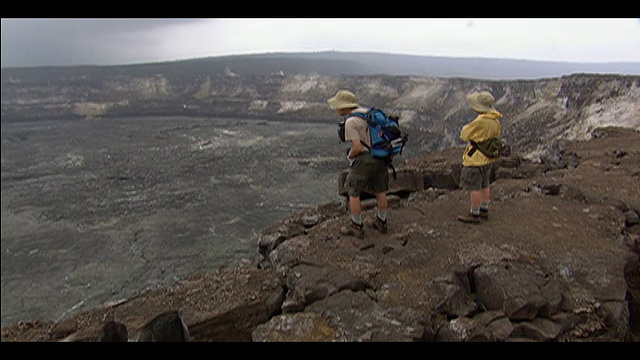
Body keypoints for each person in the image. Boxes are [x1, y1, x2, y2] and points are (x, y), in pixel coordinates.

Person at [327, 89, 389, 239]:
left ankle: (356, 227)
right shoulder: (368, 113)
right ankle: (382, 222)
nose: (336, 109)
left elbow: (358, 147)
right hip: (382, 156)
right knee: (380, 191)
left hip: (366, 159)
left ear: (343, 106)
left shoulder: (351, 121)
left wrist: (350, 155)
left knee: (353, 192)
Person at [458, 91, 503, 224]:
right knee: (485, 184)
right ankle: (484, 209)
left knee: (474, 187)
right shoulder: (495, 120)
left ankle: (474, 213)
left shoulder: (481, 121)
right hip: (487, 158)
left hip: (476, 159)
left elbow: (465, 134)